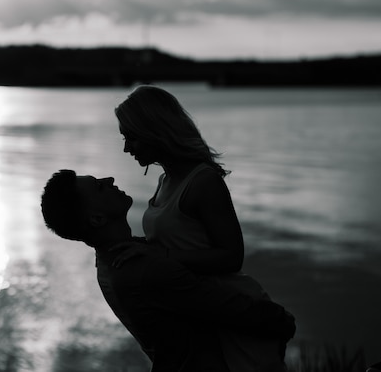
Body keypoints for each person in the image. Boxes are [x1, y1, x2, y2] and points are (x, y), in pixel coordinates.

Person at [40, 169, 295, 371]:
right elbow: (229, 307)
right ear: (96, 219)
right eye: (98, 186)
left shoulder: (109, 263)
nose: (109, 179)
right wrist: (282, 320)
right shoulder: (144, 269)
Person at [114, 85, 288, 371]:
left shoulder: (203, 182)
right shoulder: (166, 179)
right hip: (200, 308)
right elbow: (182, 242)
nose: (126, 147)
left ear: (153, 131)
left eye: (130, 137)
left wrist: (158, 258)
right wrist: (141, 248)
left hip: (231, 312)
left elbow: (232, 257)